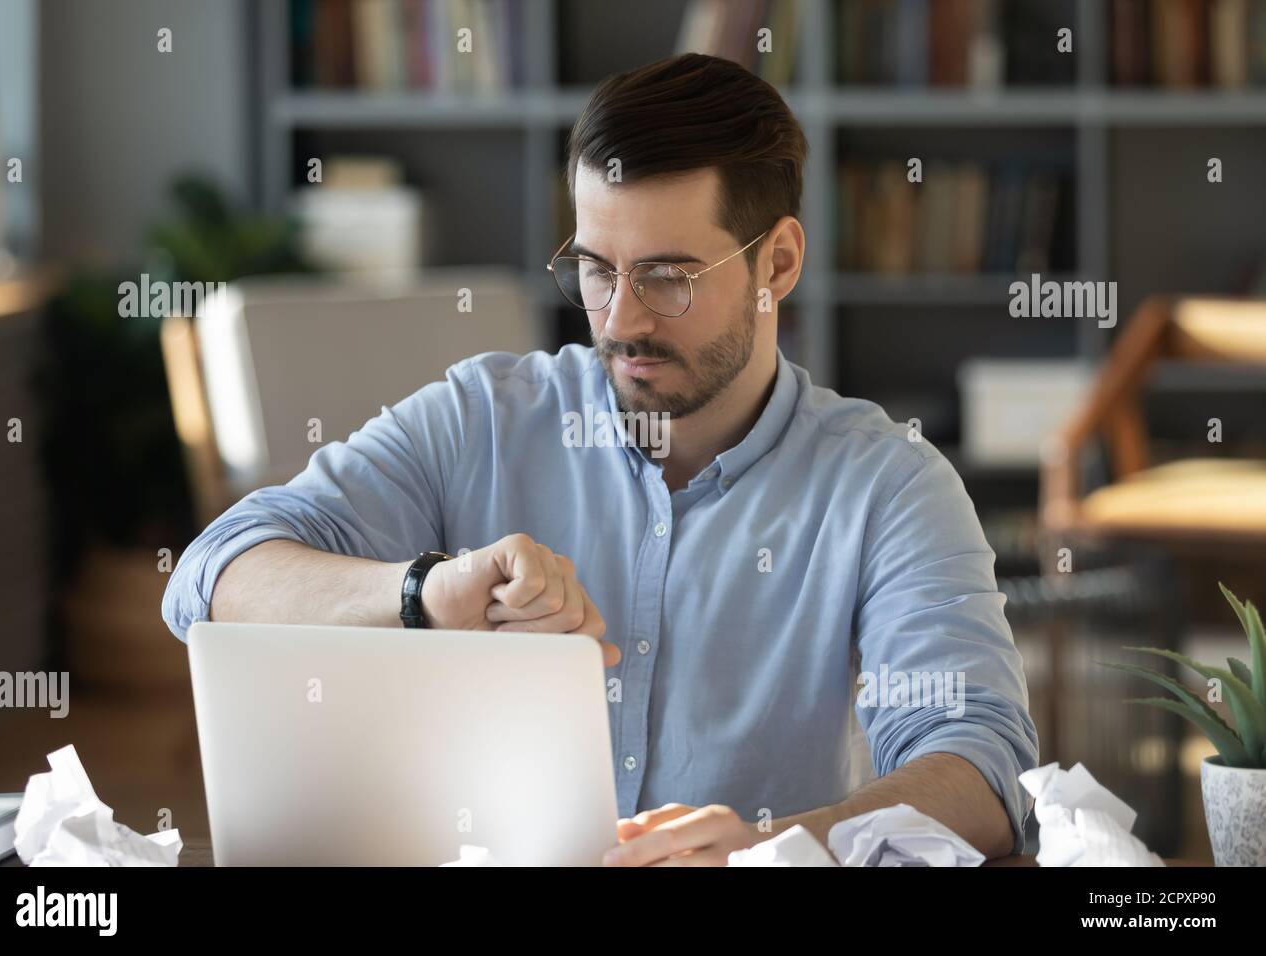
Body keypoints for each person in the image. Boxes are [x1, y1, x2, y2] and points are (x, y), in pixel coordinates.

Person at [163, 53, 1038, 866]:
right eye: (594, 269)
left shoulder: (887, 485)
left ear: (777, 261)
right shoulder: (484, 419)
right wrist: (421, 591)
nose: (620, 319)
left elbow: (983, 767)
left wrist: (772, 851)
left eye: (667, 276)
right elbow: (207, 576)